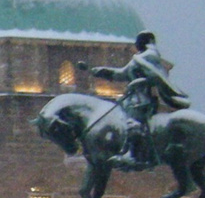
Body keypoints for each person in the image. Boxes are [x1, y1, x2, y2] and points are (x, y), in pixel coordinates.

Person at [81, 31, 190, 169]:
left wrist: (141, 82)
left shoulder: (150, 57)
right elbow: (123, 74)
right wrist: (101, 71)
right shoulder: (138, 59)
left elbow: (157, 78)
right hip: (132, 98)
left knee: (132, 122)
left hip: (143, 100)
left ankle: (133, 155)